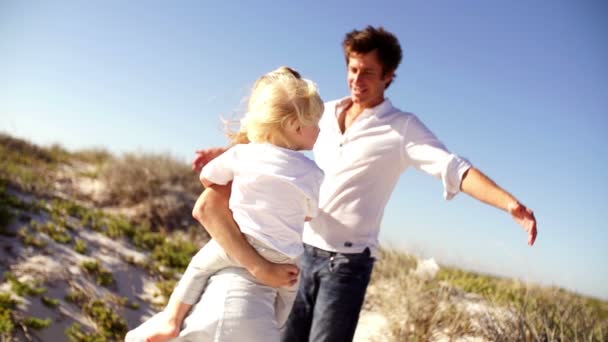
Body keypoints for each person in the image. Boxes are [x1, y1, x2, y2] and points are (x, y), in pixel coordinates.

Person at [192, 26, 538, 342]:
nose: (357, 80)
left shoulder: (402, 128)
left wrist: (509, 203)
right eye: (352, 69)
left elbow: (454, 168)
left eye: (368, 72)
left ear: (388, 77)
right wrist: (225, 152)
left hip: (346, 266)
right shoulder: (321, 113)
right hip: (297, 252)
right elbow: (274, 138)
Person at [126, 66, 324, 342]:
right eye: (315, 122)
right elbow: (309, 214)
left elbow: (208, 180)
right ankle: (277, 324)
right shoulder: (313, 172)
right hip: (285, 256)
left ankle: (171, 320)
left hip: (243, 247)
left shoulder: (243, 155)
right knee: (288, 293)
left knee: (198, 267)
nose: (320, 129)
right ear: (295, 126)